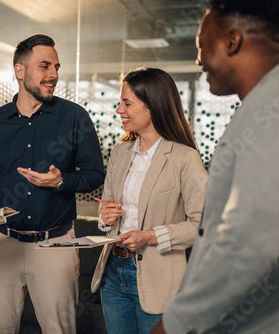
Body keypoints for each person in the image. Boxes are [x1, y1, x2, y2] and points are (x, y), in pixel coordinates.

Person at [152, 0, 279, 333]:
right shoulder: (269, 105)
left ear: (232, 40)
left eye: (201, 45)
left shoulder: (278, 112)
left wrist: (175, 324)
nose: (198, 59)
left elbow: (249, 242)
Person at [0, 33, 105, 333]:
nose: (53, 74)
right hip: (1, 242)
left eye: (56, 67)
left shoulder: (75, 118)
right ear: (20, 70)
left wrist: (62, 180)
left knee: (61, 330)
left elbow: (95, 174)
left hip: (56, 244)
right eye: (44, 66)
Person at [90, 67, 207, 334]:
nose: (119, 110)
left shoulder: (184, 158)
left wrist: (149, 236)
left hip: (159, 278)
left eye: (127, 103)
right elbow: (105, 205)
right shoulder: (120, 153)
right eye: (120, 102)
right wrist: (105, 215)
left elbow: (201, 224)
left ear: (152, 107)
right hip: (113, 272)